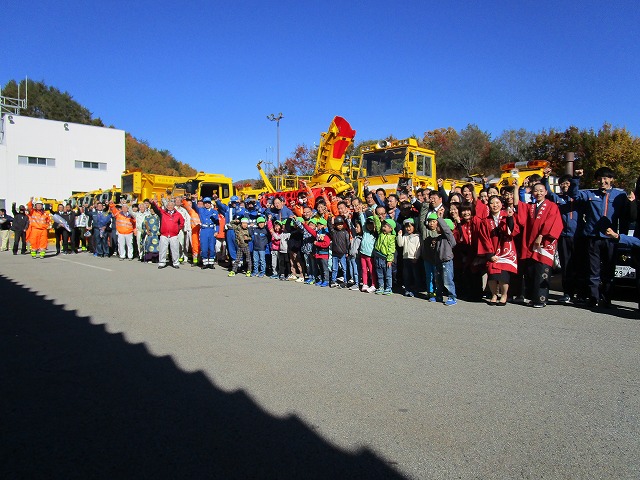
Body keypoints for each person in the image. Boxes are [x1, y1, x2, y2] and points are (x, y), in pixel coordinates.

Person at [568, 167, 631, 307]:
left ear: (611, 179)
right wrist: (576, 178)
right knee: (593, 270)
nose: (602, 181)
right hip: (593, 237)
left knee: (609, 270)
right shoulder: (590, 194)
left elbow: (625, 218)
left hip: (611, 238)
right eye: (600, 179)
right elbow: (574, 194)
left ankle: (606, 298)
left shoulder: (619, 195)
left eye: (605, 178)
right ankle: (593, 298)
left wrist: (621, 236)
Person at [514, 181, 564, 308]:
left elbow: (553, 222)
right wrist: (516, 188)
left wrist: (542, 236)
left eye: (541, 190)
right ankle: (532, 297)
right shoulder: (531, 207)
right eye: (536, 190)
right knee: (531, 271)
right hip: (531, 244)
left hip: (544, 244)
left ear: (546, 192)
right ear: (532, 192)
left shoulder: (552, 206)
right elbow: (518, 205)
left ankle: (541, 299)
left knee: (542, 271)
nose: (539, 193)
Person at [477, 195, 519, 306]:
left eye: (497, 203)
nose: (495, 205)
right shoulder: (485, 221)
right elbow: (484, 238)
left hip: (506, 250)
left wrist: (510, 218)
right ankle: (494, 295)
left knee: (503, 276)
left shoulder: (507, 216)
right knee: (492, 274)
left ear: (501, 204)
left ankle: (504, 295)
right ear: (488, 206)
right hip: (493, 250)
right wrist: (490, 254)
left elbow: (512, 232)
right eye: (492, 203)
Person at [151, 197, 184, 269]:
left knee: (175, 249)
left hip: (173, 235)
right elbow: (156, 209)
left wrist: (177, 229)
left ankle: (175, 263)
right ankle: (162, 262)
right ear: (166, 206)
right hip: (164, 234)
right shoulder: (163, 213)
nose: (169, 207)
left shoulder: (178, 214)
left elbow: (182, 222)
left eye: (171, 205)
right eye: (168, 205)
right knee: (163, 249)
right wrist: (153, 203)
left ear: (173, 206)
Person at [192, 196, 219, 269]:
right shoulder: (201, 210)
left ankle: (211, 263)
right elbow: (194, 206)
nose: (207, 204)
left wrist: (216, 231)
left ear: (210, 204)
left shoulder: (215, 212)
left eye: (208, 203)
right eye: (205, 203)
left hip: (211, 230)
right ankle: (205, 262)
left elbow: (217, 223)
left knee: (212, 247)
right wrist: (194, 199)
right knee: (204, 247)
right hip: (204, 230)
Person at [372, 216, 396, 295]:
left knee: (388, 274)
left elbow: (391, 249)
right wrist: (375, 216)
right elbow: (378, 224)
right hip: (378, 257)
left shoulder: (391, 238)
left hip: (385, 259)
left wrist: (389, 259)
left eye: (385, 226)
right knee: (379, 273)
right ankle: (381, 286)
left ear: (391, 229)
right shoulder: (380, 234)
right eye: (383, 226)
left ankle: (389, 288)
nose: (383, 228)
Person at [396, 218, 421, 297]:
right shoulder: (405, 236)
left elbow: (419, 248)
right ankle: (407, 289)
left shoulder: (417, 236)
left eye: (410, 226)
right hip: (406, 258)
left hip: (414, 259)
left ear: (414, 226)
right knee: (407, 275)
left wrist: (416, 257)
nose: (408, 228)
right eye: (406, 227)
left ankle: (416, 289)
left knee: (415, 275)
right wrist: (399, 235)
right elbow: (400, 244)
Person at [329, 215, 350, 288]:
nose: (339, 226)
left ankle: (345, 281)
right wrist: (329, 218)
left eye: (341, 224)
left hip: (343, 253)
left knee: (344, 268)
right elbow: (329, 226)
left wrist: (347, 251)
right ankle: (333, 280)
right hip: (335, 253)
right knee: (334, 268)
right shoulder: (334, 232)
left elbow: (348, 242)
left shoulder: (345, 233)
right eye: (337, 224)